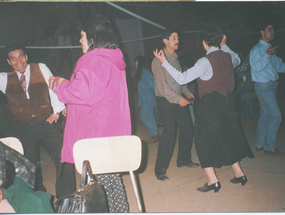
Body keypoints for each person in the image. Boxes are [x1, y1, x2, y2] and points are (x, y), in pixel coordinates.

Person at [153, 24, 254, 192]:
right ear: (221, 41)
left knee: (202, 142)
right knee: (225, 137)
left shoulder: (204, 62)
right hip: (228, 103)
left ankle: (213, 181)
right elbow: (234, 57)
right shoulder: (231, 57)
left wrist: (164, 62)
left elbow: (182, 77)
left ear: (205, 43)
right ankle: (239, 173)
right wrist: (224, 43)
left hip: (210, 106)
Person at [49, 15, 131, 212]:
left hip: (95, 136)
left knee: (99, 188)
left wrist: (58, 84)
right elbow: (99, 96)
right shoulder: (111, 58)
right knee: (111, 184)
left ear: (93, 37)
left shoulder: (94, 60)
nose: (80, 40)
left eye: (83, 36)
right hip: (111, 133)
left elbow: (82, 92)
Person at [0, 44, 76, 198]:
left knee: (64, 157)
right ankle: (39, 198)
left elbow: (52, 88)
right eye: (13, 58)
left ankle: (66, 197)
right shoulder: (4, 78)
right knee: (29, 166)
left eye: (21, 56)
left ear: (26, 57)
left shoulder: (40, 67)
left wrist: (57, 111)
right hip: (22, 127)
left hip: (46, 122)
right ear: (9, 62)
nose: (18, 61)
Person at [151, 27, 199, 181]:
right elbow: (162, 87)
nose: (177, 41)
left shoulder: (175, 58)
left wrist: (185, 91)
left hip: (178, 97)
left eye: (178, 38)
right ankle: (160, 169)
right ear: (165, 41)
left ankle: (184, 160)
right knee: (169, 133)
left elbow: (179, 79)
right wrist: (179, 99)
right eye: (174, 38)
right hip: (165, 99)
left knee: (187, 128)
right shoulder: (158, 60)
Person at [250, 22, 285, 156]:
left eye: (273, 30)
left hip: (269, 86)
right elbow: (257, 67)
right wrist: (267, 54)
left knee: (266, 115)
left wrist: (270, 54)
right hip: (263, 86)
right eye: (269, 29)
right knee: (276, 116)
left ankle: (260, 144)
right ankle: (270, 147)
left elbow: (279, 67)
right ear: (262, 32)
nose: (272, 32)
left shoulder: (270, 49)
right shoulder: (257, 49)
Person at [135, 56, 160, 144]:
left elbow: (153, 84)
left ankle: (155, 134)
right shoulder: (142, 72)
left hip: (148, 99)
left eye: (136, 61)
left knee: (143, 116)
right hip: (147, 99)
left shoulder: (145, 72)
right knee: (150, 116)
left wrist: (149, 97)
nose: (135, 63)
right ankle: (155, 135)